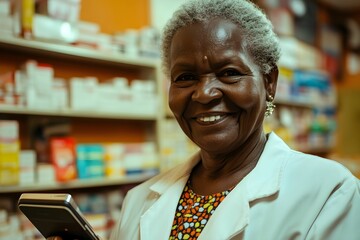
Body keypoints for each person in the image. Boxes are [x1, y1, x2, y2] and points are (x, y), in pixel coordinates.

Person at [50, 0, 360, 239]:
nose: (204, 94)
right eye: (185, 77)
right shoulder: (139, 200)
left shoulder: (329, 192)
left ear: (269, 82)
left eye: (229, 73)